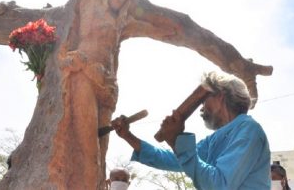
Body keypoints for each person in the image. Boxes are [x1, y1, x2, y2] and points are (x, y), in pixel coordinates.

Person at [112, 71, 271, 190]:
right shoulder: (215, 139)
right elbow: (172, 158)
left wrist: (175, 140)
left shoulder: (248, 130)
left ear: (220, 96)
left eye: (203, 100)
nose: (202, 108)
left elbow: (219, 185)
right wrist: (127, 136)